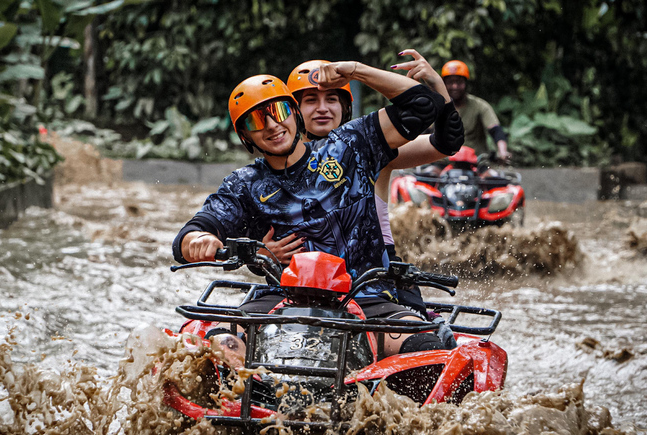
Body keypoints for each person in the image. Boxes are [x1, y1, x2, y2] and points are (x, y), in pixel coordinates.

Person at [173, 62, 455, 356]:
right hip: (283, 296)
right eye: (256, 121)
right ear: (246, 137)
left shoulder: (353, 145)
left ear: (294, 114)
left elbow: (426, 106)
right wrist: (200, 241)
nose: (271, 126)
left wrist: (357, 70)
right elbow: (194, 231)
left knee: (424, 348)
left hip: (365, 294)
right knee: (217, 345)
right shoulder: (244, 184)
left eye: (279, 113)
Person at [281, 51, 464, 317]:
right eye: (311, 100)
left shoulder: (372, 146)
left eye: (331, 98)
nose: (322, 108)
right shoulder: (277, 164)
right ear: (293, 111)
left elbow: (447, 141)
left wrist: (438, 86)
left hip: (375, 273)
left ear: (345, 108)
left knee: (421, 336)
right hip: (302, 276)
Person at [441, 59, 511, 162]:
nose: (454, 86)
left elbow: (495, 130)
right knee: (429, 173)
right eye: (450, 82)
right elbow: (425, 133)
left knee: (491, 176)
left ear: (466, 83)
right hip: (445, 159)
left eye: (459, 82)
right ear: (444, 84)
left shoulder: (479, 106)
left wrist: (502, 151)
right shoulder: (439, 106)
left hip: (476, 160)